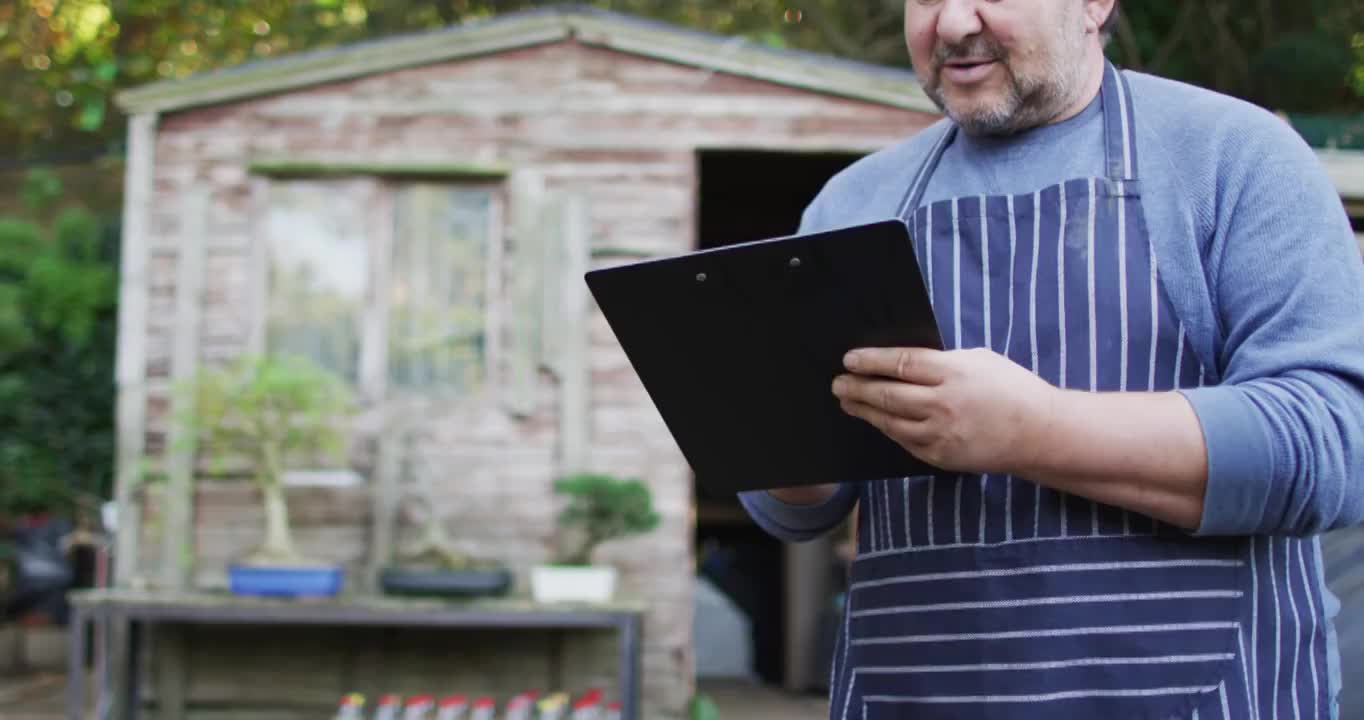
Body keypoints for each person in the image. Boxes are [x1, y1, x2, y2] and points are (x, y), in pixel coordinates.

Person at [738, 0, 1364, 717]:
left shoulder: (1233, 158)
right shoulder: (852, 204)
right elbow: (795, 512)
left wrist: (1032, 431)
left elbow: (1333, 449)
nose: (950, 24)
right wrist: (783, 449)